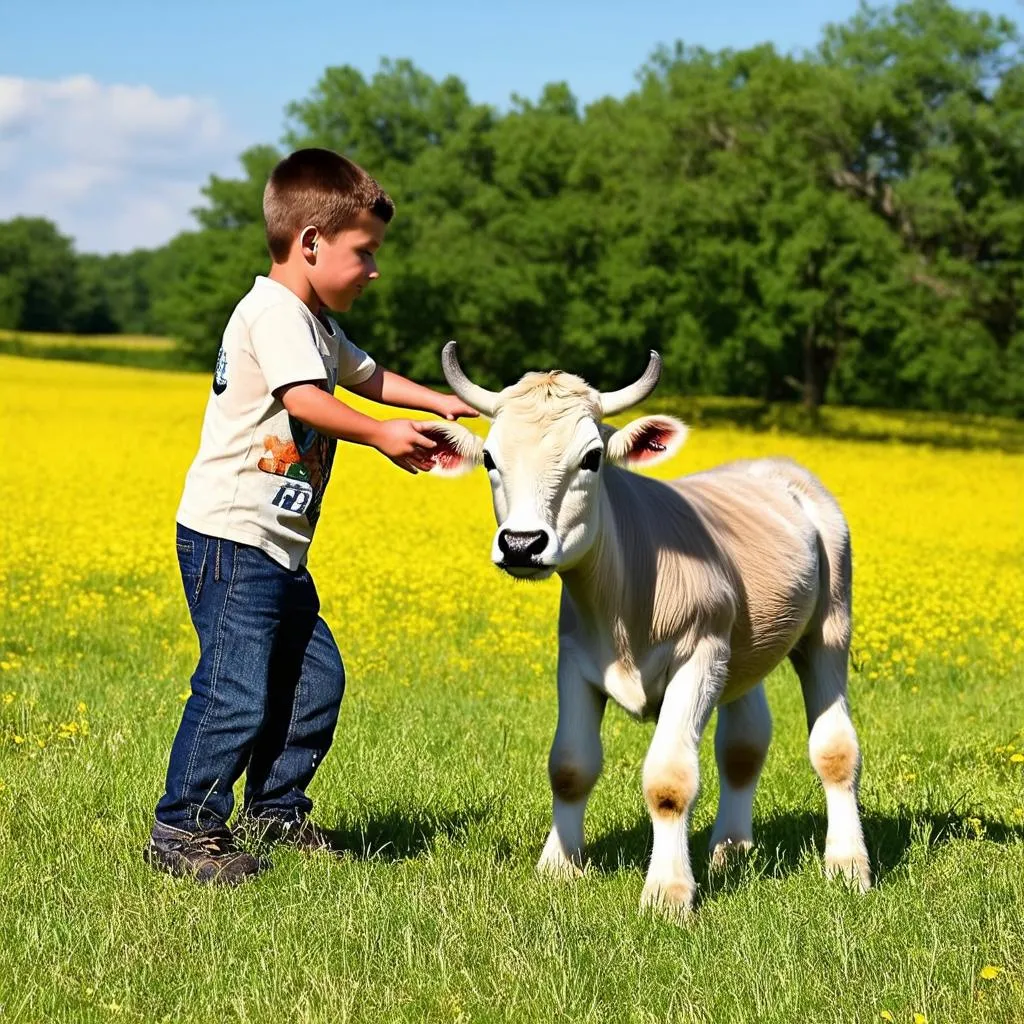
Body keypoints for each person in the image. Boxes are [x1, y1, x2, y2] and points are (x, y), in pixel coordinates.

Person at [144, 147, 477, 884]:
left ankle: (275, 810)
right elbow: (305, 401)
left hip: (277, 548)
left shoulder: (317, 325)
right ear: (311, 243)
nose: (374, 269)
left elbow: (371, 375)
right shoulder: (274, 313)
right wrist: (383, 435)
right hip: (233, 539)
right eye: (366, 253)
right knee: (234, 689)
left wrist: (436, 401)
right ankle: (183, 830)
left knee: (313, 681)